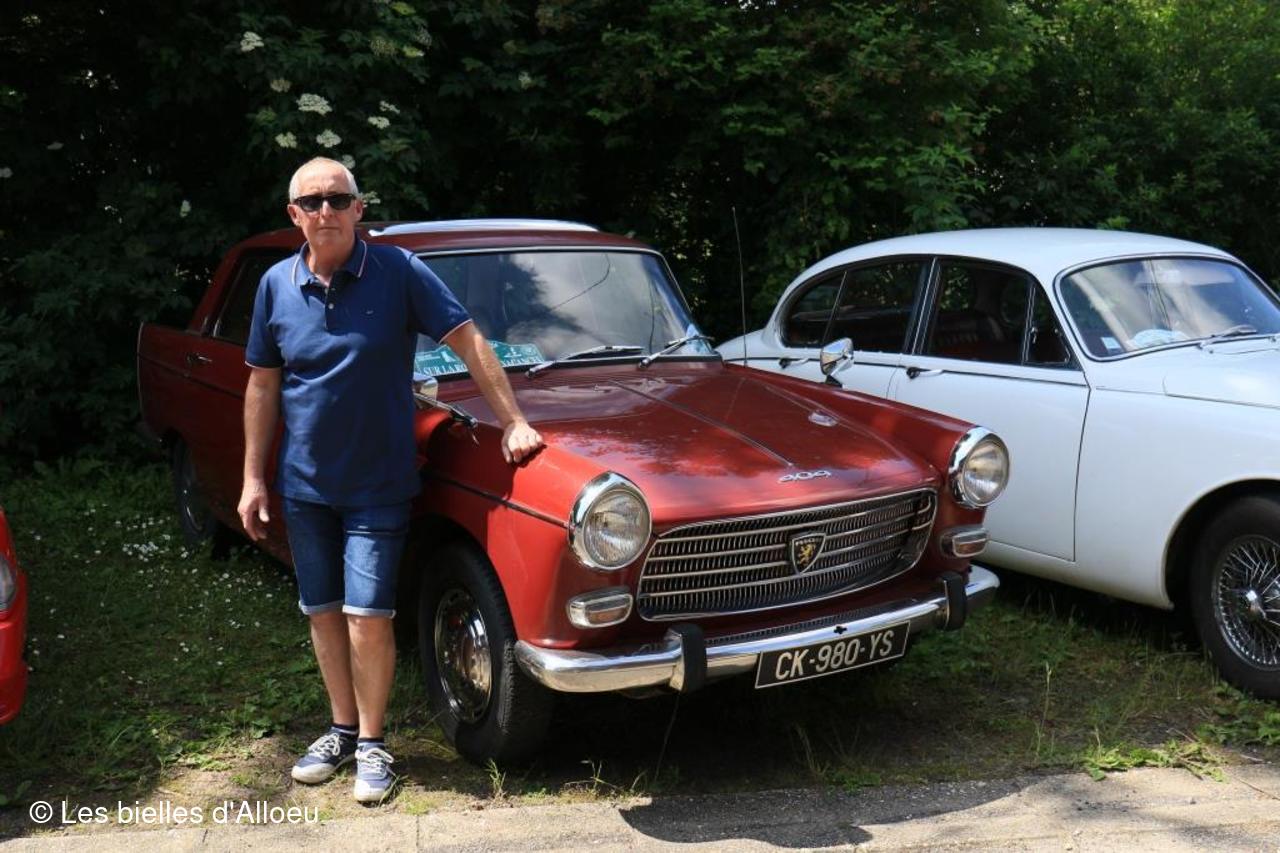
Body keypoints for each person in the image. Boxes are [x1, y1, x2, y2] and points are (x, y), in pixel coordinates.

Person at [237, 156, 543, 803]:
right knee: (321, 612)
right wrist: (252, 479)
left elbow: (469, 341)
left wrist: (514, 421)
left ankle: (374, 744)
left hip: (379, 484)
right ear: (294, 215)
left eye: (337, 198)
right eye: (311, 201)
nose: (325, 210)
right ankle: (341, 729)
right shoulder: (274, 286)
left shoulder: (398, 271)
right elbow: (262, 386)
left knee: (368, 616)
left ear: (359, 208)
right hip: (304, 486)